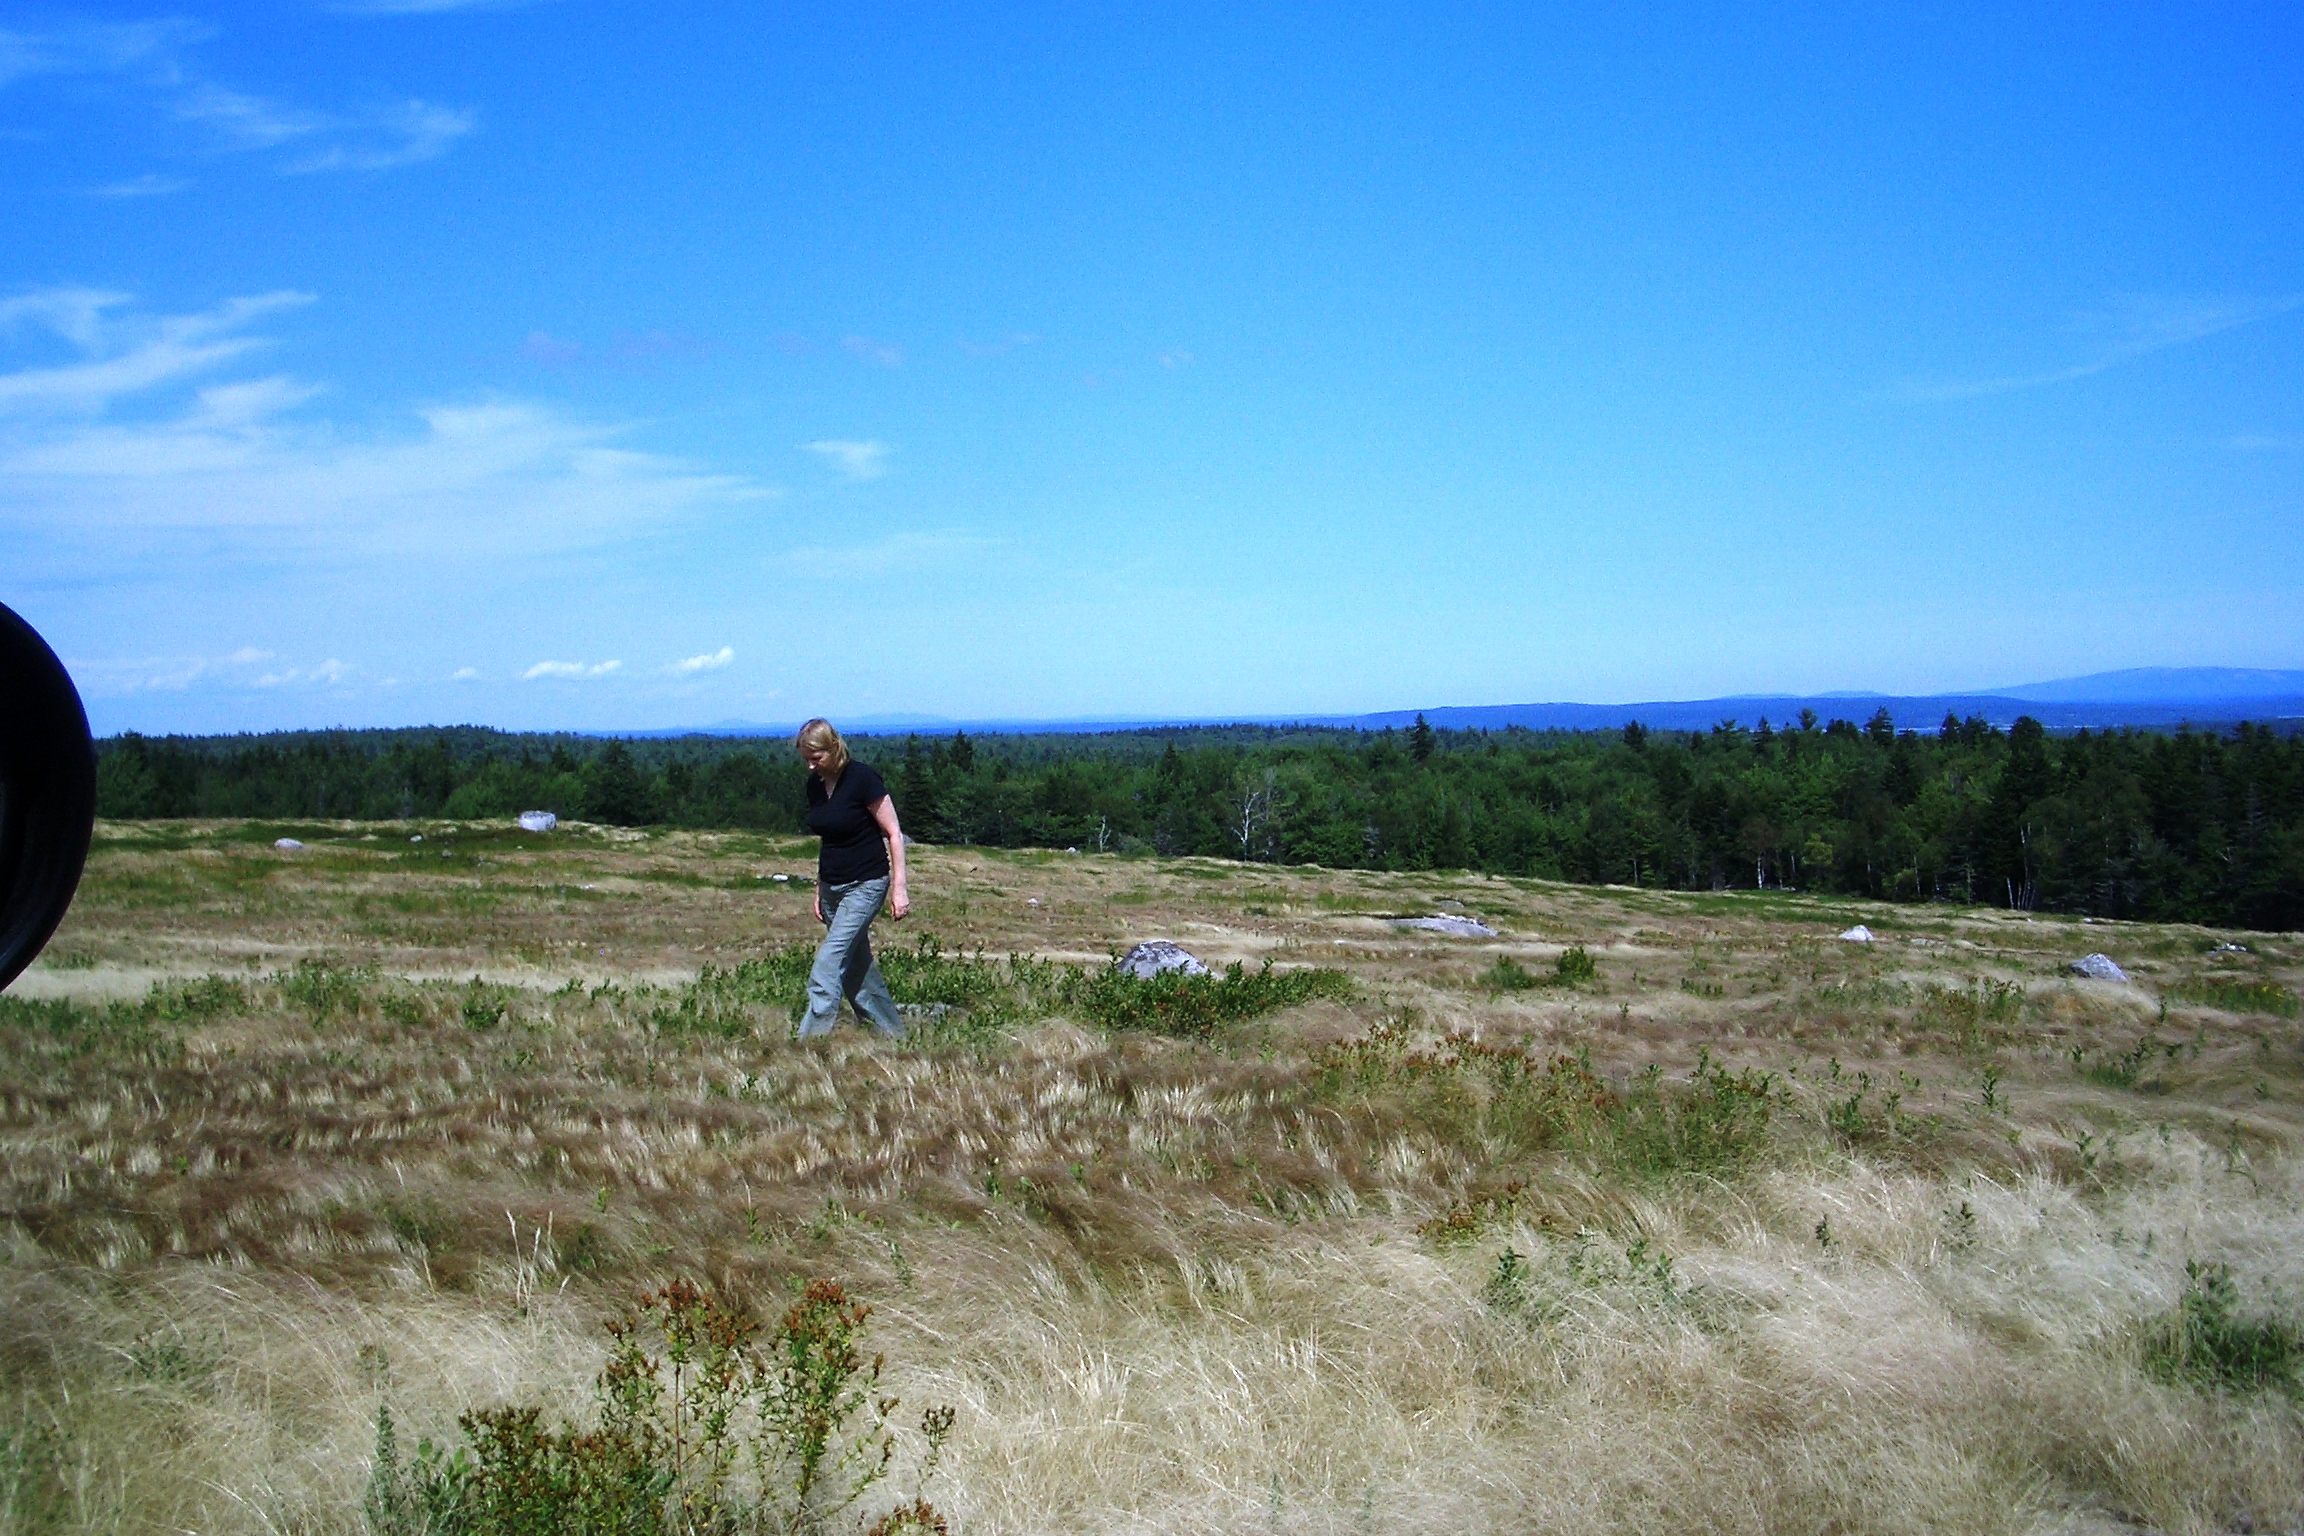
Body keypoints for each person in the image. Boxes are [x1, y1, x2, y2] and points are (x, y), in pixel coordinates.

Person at [794, 719, 909, 1038]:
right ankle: (892, 1038)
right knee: (856, 968)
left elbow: (893, 833)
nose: (810, 766)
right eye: (806, 759)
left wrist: (899, 889)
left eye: (816, 758)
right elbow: (829, 839)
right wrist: (820, 888)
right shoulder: (815, 786)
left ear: (833, 748)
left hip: (866, 882)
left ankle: (808, 1047)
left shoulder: (862, 779)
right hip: (833, 886)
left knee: (828, 966)